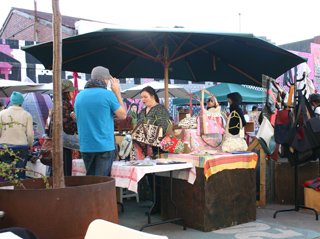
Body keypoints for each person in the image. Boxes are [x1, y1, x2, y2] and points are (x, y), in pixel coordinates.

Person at [74, 66, 126, 176]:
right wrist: (117, 92)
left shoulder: (79, 96)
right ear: (106, 80)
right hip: (104, 145)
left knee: (91, 181)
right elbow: (123, 115)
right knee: (102, 182)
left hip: (86, 145)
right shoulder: (108, 94)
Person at [0, 91, 34, 179]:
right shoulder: (27, 115)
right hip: (21, 147)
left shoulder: (2, 113)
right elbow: (30, 134)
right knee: (20, 173)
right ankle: (19, 191)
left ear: (11, 101)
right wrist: (30, 145)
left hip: (4, 146)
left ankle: (7, 190)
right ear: (21, 102)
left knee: (6, 173)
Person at [131, 86, 171, 160]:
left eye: (145, 97)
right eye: (141, 97)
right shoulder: (142, 111)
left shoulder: (160, 109)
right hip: (142, 147)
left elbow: (163, 128)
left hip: (157, 148)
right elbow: (138, 125)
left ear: (152, 97)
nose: (143, 99)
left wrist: (147, 132)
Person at [61, 79, 78, 176]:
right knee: (66, 170)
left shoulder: (62, 103)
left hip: (63, 142)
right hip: (64, 143)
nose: (73, 93)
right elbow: (67, 125)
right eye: (71, 91)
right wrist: (76, 121)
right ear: (66, 92)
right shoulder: (64, 104)